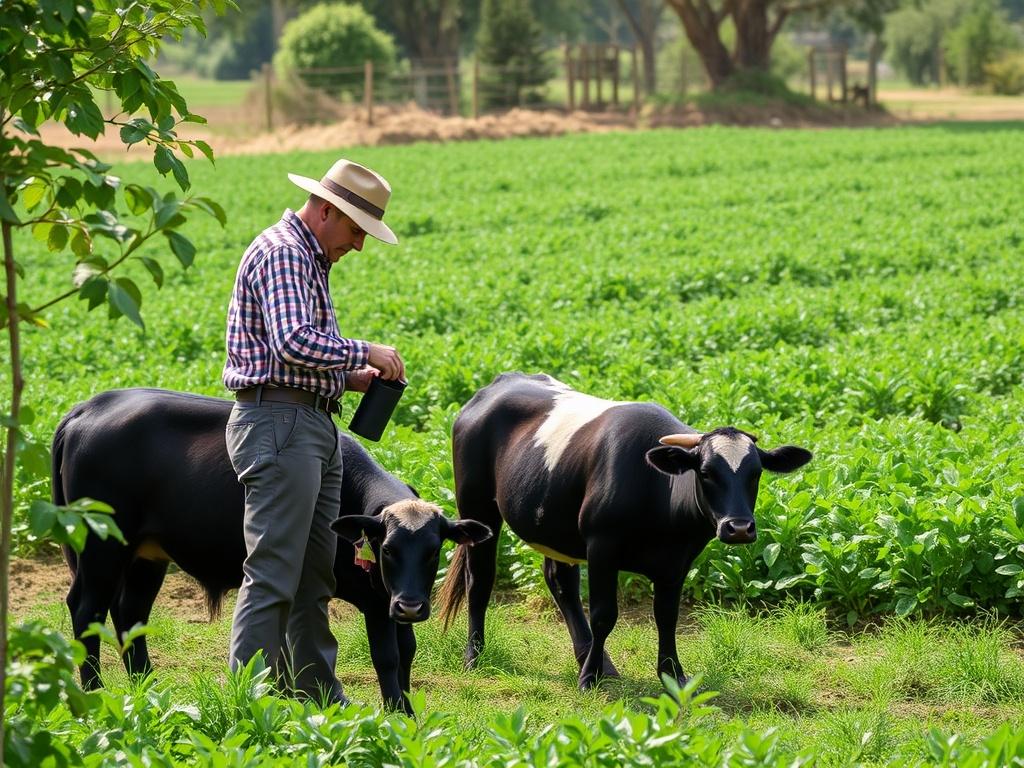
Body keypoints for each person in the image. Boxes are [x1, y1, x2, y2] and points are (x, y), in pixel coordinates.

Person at [222, 158, 405, 703]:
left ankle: (314, 693)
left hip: (305, 422)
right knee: (276, 569)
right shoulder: (285, 253)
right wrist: (364, 350)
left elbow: (291, 354)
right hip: (279, 425)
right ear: (327, 211)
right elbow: (293, 341)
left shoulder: (308, 256)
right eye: (355, 230)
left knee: (313, 574)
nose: (359, 245)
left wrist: (347, 379)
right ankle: (249, 701)